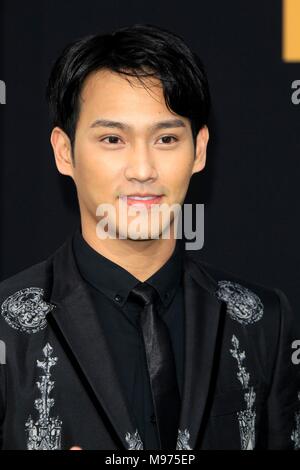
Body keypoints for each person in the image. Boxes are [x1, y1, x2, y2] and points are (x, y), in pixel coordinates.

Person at [0, 23, 299, 451]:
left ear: (199, 150)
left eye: (166, 138)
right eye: (112, 139)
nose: (142, 170)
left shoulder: (264, 322)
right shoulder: (8, 331)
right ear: (64, 152)